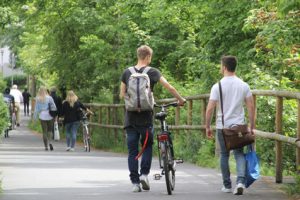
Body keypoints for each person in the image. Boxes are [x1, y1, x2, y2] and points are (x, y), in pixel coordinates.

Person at [119, 45, 186, 193]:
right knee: (147, 146)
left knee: (132, 151)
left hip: (130, 118)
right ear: (148, 57)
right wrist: (180, 99)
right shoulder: (152, 72)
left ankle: (135, 183)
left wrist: (132, 101)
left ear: (138, 55)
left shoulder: (126, 72)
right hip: (146, 118)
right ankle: (144, 174)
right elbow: (169, 87)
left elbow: (121, 94)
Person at [205, 56, 255, 195]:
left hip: (223, 126)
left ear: (225, 67)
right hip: (239, 127)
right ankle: (240, 182)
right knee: (239, 154)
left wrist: (207, 126)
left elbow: (210, 109)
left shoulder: (217, 86)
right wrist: (252, 125)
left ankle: (227, 185)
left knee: (224, 155)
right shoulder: (243, 85)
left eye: (221, 66)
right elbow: (251, 106)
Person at [33, 86, 57, 151]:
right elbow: (54, 106)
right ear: (46, 91)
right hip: (49, 115)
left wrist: (34, 118)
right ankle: (50, 142)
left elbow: (36, 109)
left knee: (44, 132)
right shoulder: (49, 98)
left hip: (42, 115)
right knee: (50, 130)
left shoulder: (38, 99)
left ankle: (46, 146)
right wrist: (54, 113)